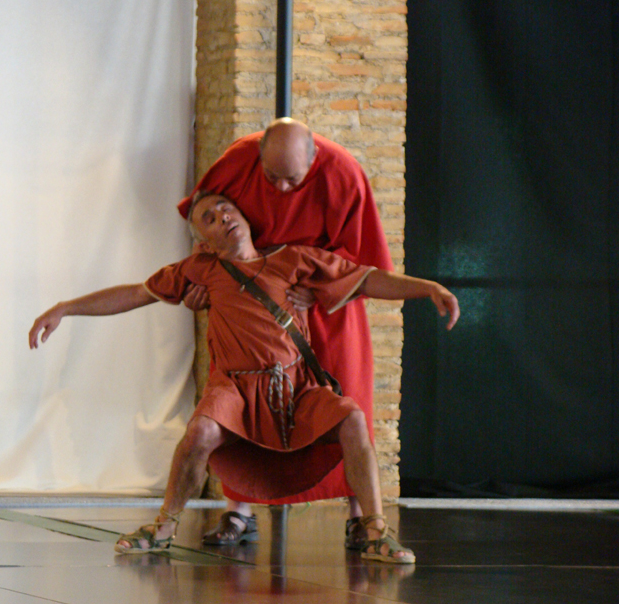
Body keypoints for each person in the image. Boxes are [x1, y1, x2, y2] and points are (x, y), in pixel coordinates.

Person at [29, 192, 459, 564]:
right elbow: (137, 293)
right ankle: (163, 527)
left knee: (353, 418)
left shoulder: (293, 258)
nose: (222, 217)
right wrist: (67, 307)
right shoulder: (202, 270)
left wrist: (427, 287)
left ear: (244, 217)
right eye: (210, 219)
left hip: (296, 389)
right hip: (234, 387)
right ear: (205, 243)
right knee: (199, 431)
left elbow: (366, 278)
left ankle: (375, 530)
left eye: (225, 209)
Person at [177, 118, 393, 548]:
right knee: (241, 400)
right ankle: (238, 510)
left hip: (319, 297)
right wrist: (205, 279)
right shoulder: (237, 160)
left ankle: (360, 516)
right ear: (258, 155)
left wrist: (316, 290)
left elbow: (362, 257)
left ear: (313, 158)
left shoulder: (344, 173)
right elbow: (205, 215)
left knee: (346, 398)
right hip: (251, 297)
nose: (280, 188)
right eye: (271, 176)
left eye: (292, 179)